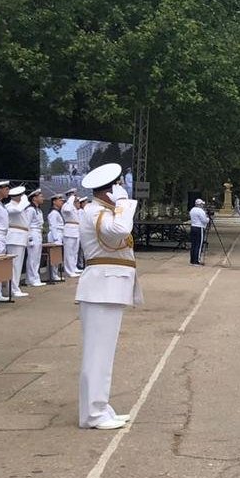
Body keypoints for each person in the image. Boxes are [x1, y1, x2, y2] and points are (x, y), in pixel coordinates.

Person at [75, 163, 143, 429]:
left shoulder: (102, 211)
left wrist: (119, 205)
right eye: (119, 186)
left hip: (107, 287)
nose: (122, 190)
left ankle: (100, 407)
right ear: (111, 189)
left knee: (103, 353)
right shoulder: (96, 213)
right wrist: (124, 203)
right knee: (97, 354)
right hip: (101, 288)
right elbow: (120, 232)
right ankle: (93, 414)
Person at [3, 186, 31, 298]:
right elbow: (17, 210)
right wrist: (25, 200)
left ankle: (15, 287)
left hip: (21, 237)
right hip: (14, 237)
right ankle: (13, 288)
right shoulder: (9, 206)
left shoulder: (21, 207)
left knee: (18, 265)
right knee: (14, 265)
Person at [24, 189, 45, 287]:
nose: (42, 198)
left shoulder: (38, 210)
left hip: (38, 233)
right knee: (32, 257)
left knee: (37, 257)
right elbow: (27, 224)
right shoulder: (30, 209)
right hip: (33, 233)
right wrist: (29, 238)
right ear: (34, 198)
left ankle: (36, 278)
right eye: (40, 196)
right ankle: (31, 279)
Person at [61, 189, 82, 277]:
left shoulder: (73, 207)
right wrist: (70, 199)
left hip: (75, 230)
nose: (75, 198)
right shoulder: (66, 205)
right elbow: (68, 211)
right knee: (69, 252)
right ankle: (69, 271)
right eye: (74, 196)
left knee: (74, 252)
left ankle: (73, 268)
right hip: (69, 230)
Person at [47, 194, 66, 281]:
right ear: (54, 201)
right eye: (59, 200)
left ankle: (54, 274)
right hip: (55, 234)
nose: (61, 202)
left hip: (59, 234)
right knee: (54, 256)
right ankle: (53, 275)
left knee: (56, 256)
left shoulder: (57, 212)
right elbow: (53, 226)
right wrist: (55, 238)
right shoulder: (53, 213)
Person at [189, 199, 208, 265]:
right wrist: (208, 219)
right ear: (200, 204)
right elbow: (204, 220)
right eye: (202, 204)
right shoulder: (201, 211)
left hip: (193, 227)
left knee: (193, 244)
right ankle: (197, 260)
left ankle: (192, 259)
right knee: (199, 245)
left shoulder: (192, 210)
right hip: (199, 228)